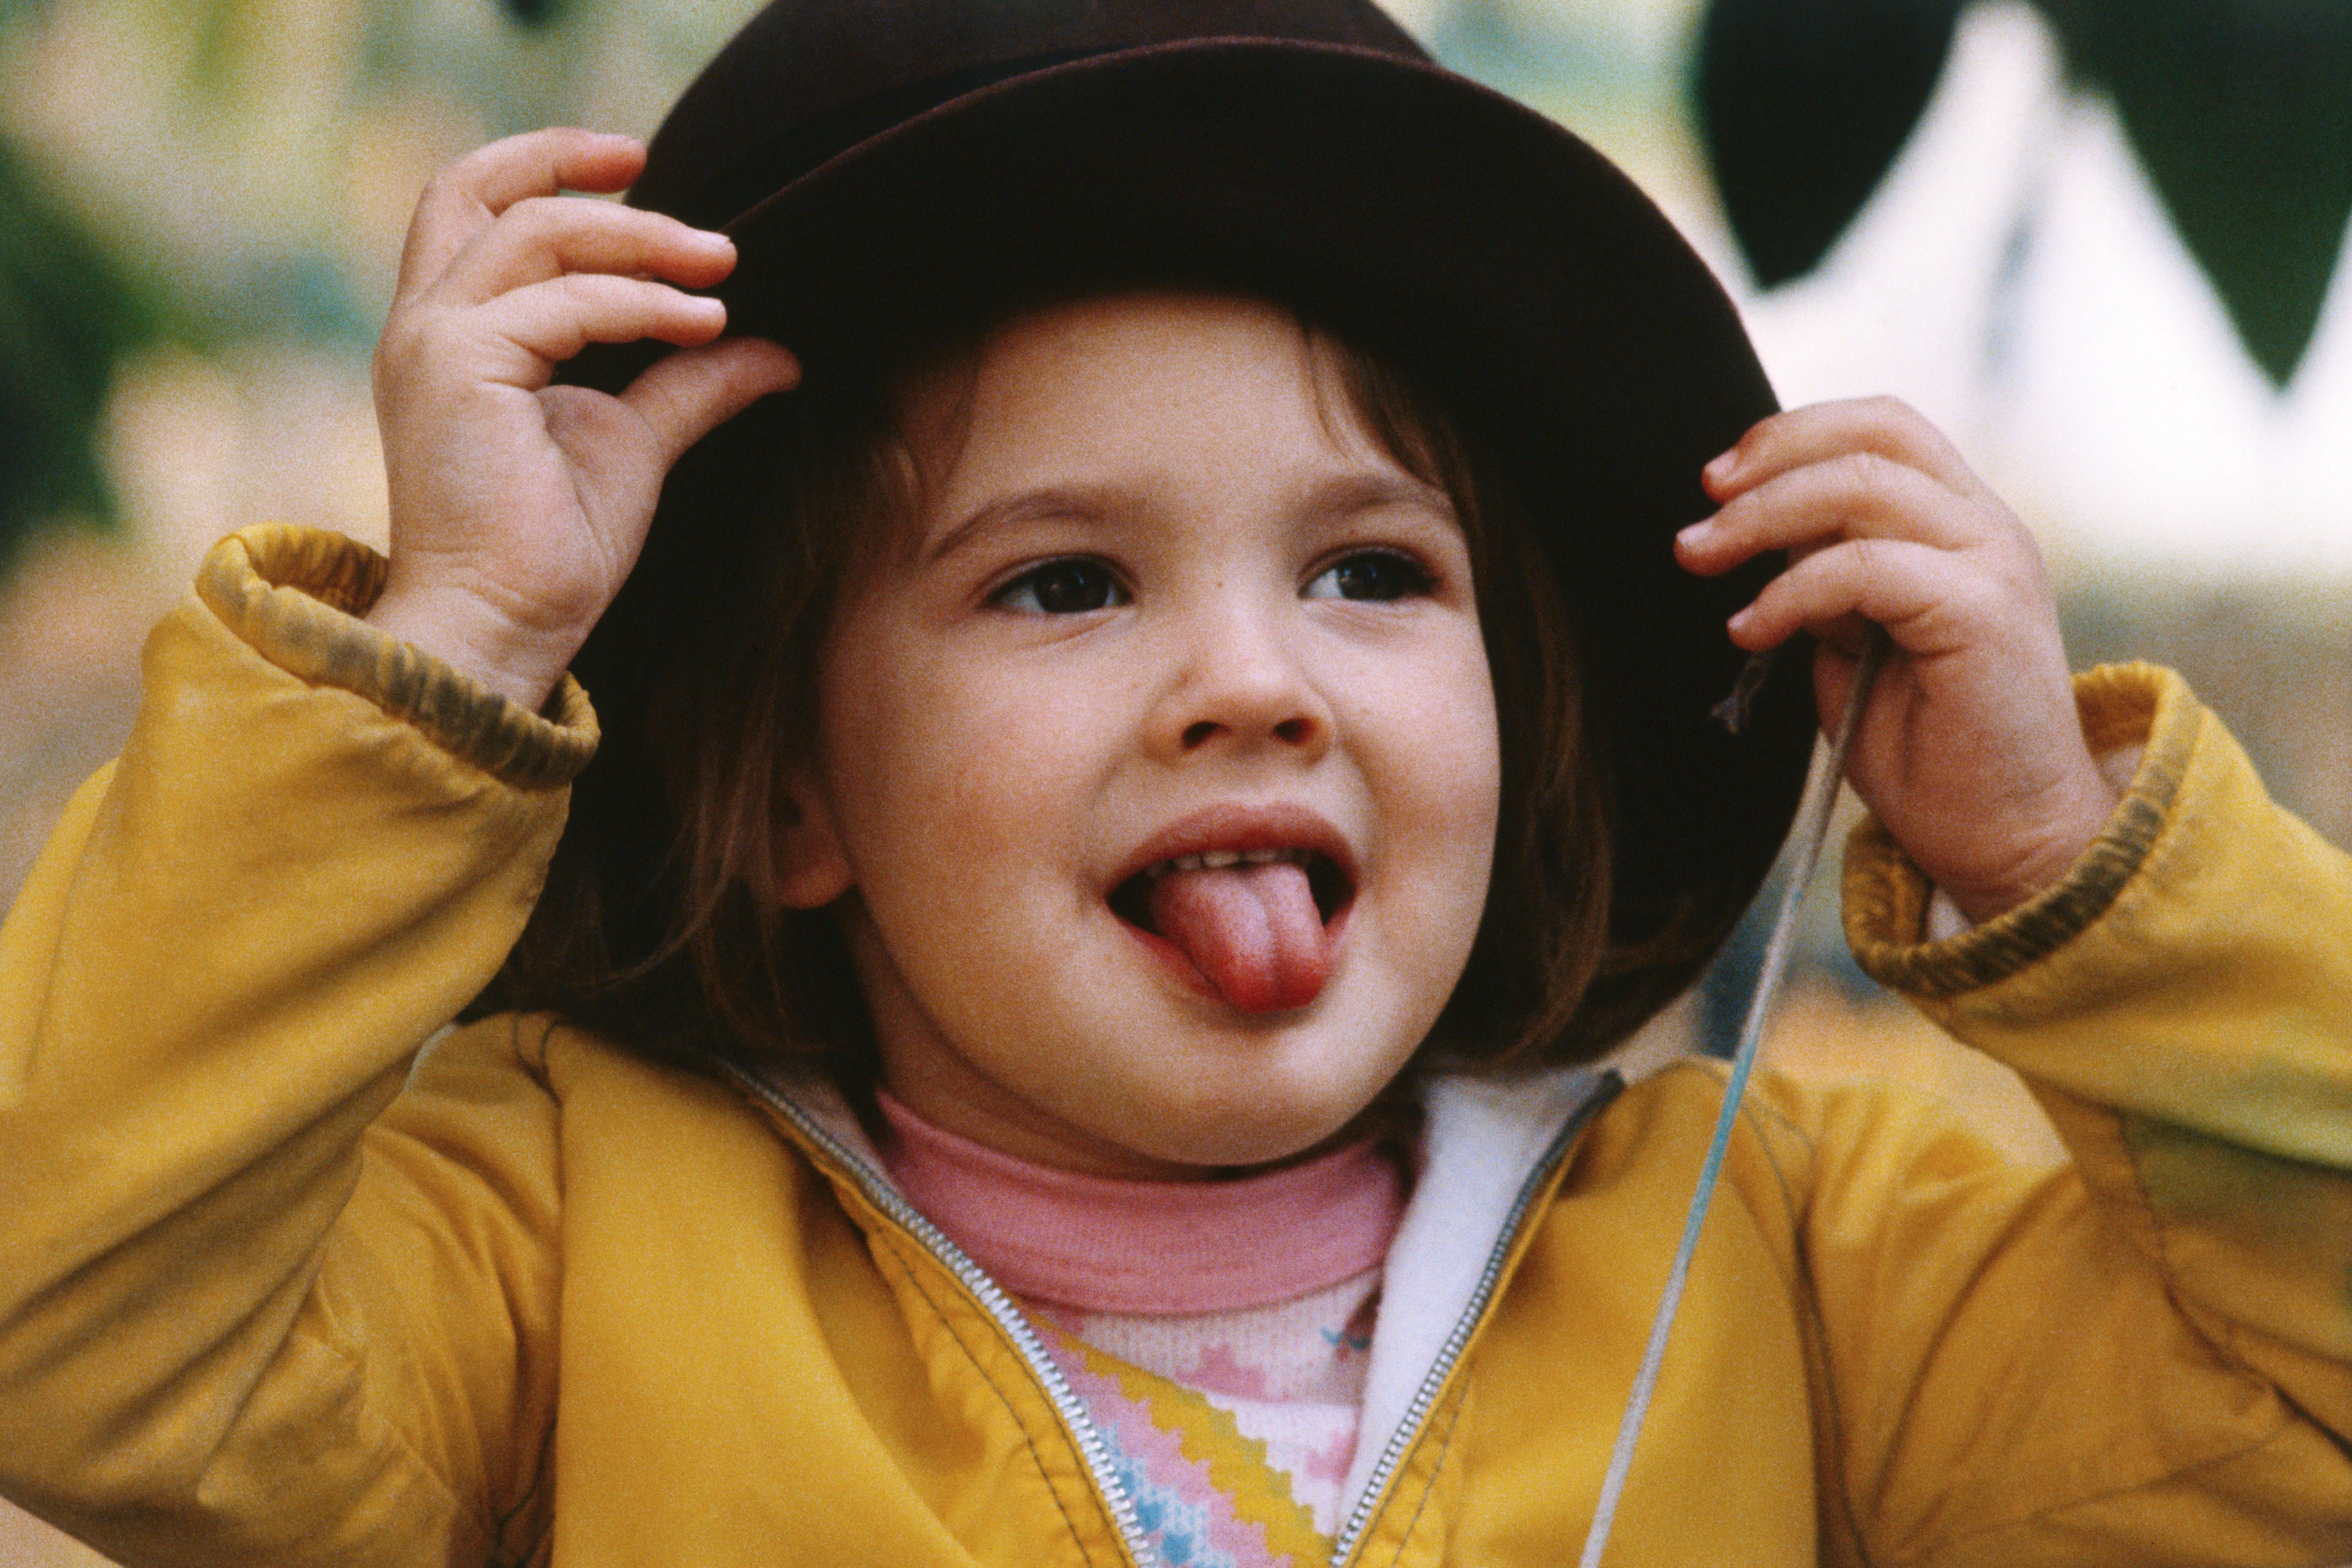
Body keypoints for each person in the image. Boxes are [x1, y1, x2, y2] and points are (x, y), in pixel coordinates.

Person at [1, 1, 2346, 1564]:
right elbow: (70, 1320)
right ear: (794, 790)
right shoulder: (551, 1246)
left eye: (1364, 572)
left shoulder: (1799, 1267)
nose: (1249, 680)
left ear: (1518, 719)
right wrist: (466, 636)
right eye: (1058, 588)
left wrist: (2064, 863)